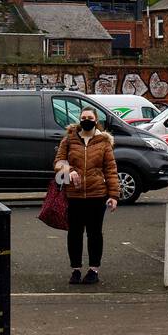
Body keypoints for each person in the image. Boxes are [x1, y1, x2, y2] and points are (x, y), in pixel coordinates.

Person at [53, 107, 119, 285]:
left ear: (96, 120)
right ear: (79, 119)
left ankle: (93, 270)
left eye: (90, 117)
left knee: (94, 233)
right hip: (73, 195)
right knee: (74, 233)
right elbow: (58, 162)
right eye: (83, 117)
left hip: (97, 195)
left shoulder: (104, 143)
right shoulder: (69, 140)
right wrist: (70, 171)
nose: (86, 120)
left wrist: (113, 195)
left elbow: (111, 170)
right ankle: (75, 270)